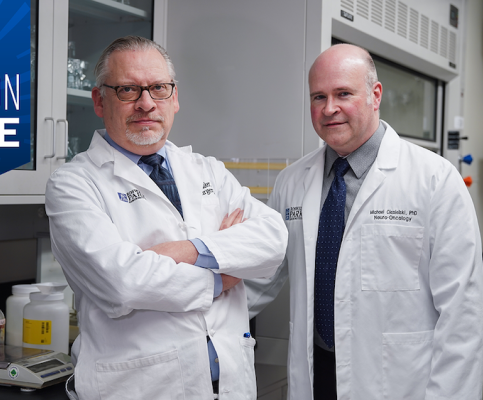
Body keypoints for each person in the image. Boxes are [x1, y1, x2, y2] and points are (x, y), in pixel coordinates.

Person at [45, 36, 288, 400]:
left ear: (174, 98)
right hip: (140, 389)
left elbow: (272, 240)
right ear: (99, 100)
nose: (146, 103)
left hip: (233, 385)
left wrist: (185, 251)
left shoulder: (208, 171)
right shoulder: (73, 184)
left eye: (158, 88)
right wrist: (225, 276)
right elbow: (124, 283)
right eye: (128, 89)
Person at [246, 43, 483, 399]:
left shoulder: (434, 179)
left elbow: (462, 309)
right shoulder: (292, 181)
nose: (329, 109)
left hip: (398, 380)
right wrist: (191, 309)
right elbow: (264, 275)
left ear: (375, 95)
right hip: (316, 372)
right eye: (318, 97)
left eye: (343, 93)